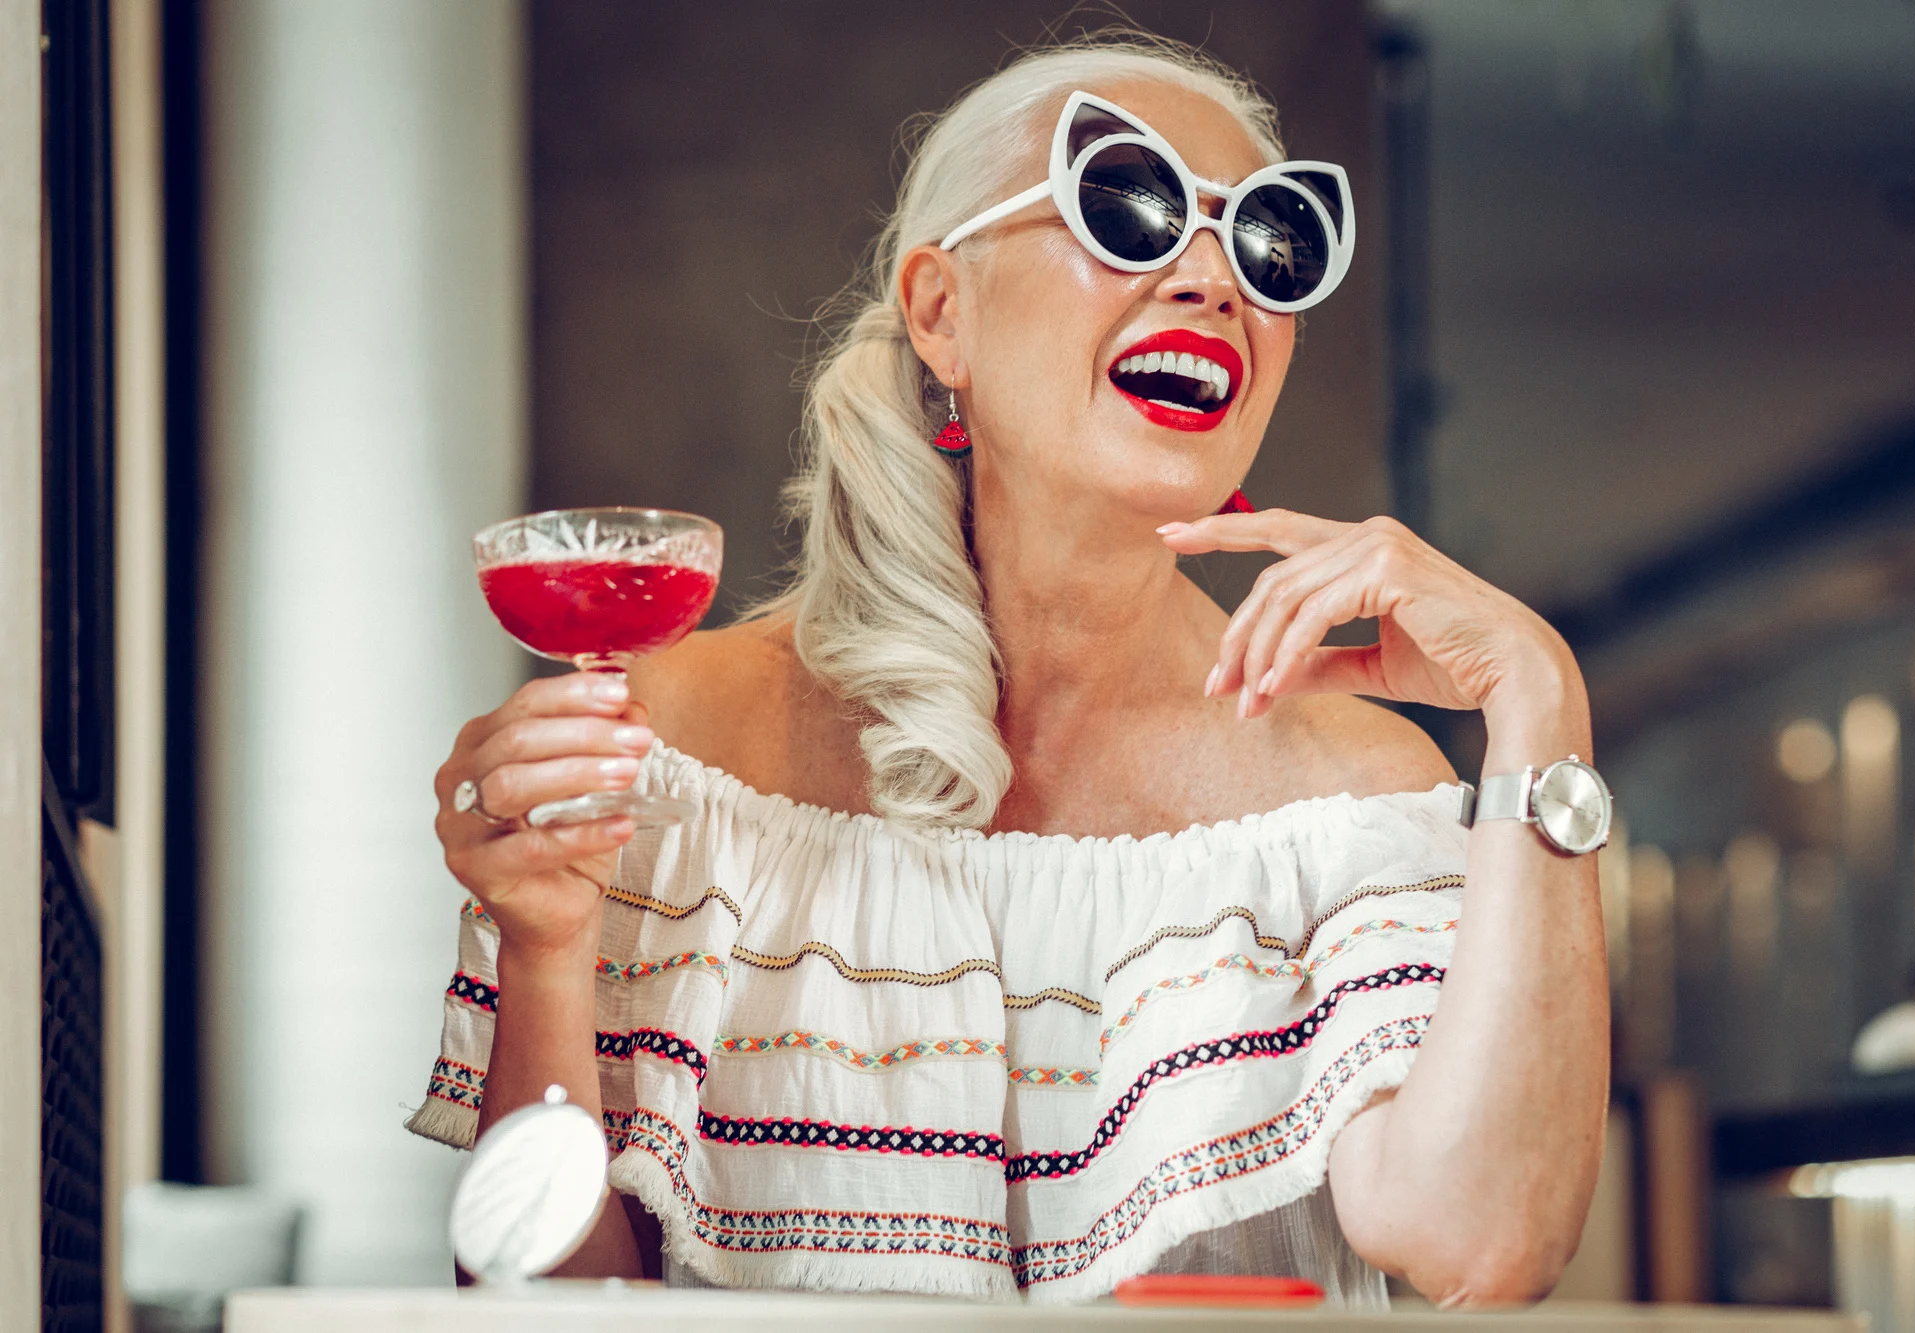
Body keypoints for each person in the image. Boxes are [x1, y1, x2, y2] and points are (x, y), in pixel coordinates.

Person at [410, 35, 1609, 1308]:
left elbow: (1485, 1244)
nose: (1212, 280)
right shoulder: (685, 745)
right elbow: (544, 1298)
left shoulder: (1354, 790)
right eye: (1130, 208)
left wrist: (1541, 699)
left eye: (1271, 246)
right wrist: (542, 947)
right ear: (942, 312)